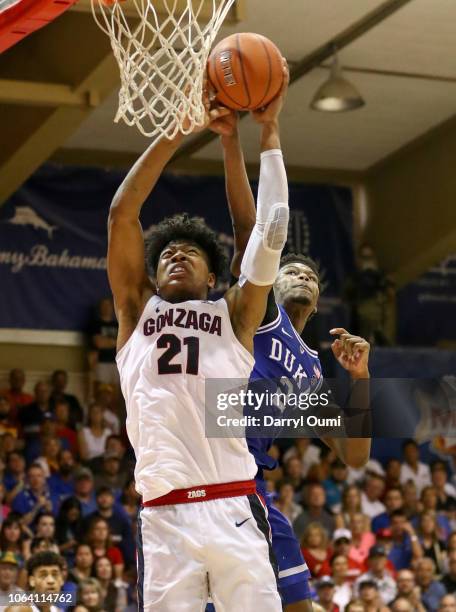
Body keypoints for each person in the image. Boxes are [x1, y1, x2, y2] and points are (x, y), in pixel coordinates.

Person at [108, 67, 292, 610]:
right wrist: (178, 128)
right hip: (164, 517)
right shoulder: (135, 311)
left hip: (233, 504)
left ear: (213, 277)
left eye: (191, 253)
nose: (175, 255)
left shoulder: (234, 314)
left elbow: (261, 233)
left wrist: (257, 136)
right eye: (166, 252)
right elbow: (123, 213)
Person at [215, 101, 371, 611]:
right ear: (270, 283)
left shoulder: (310, 373)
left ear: (320, 300)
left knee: (301, 603)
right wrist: (234, 137)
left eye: (311, 276)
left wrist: (360, 378)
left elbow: (354, 457)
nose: (302, 275)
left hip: (250, 485)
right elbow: (248, 230)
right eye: (291, 271)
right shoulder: (259, 315)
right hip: (211, 468)